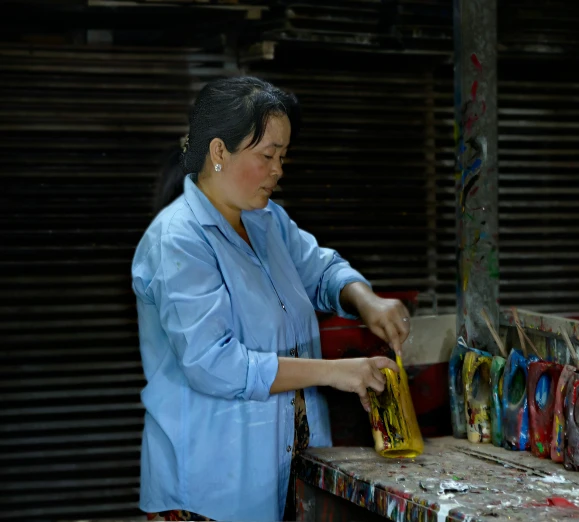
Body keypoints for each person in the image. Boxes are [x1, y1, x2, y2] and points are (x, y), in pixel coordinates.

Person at [131, 76, 411, 522]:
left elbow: (321, 268)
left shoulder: (267, 222)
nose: (278, 170)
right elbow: (213, 364)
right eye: (267, 156)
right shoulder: (177, 240)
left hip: (284, 472)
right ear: (219, 152)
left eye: (283, 156)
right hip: (210, 491)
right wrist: (337, 373)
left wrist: (366, 301)